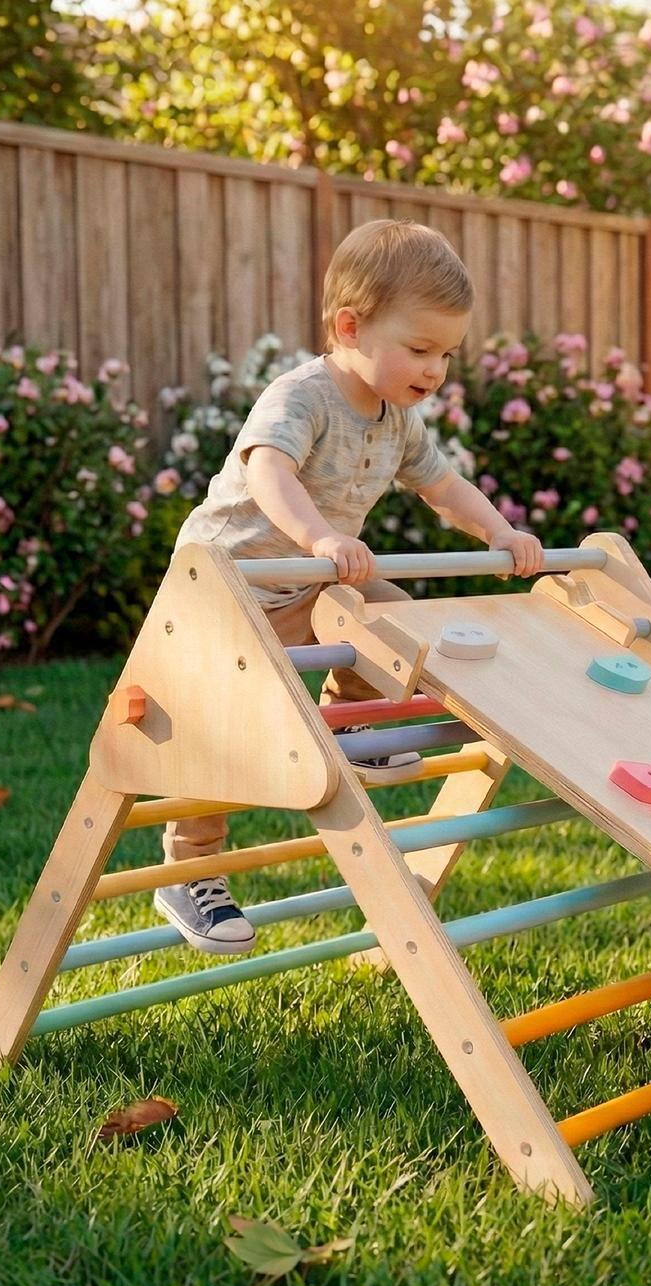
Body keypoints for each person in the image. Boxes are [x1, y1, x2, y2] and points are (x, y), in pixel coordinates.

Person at [154, 218, 544, 956]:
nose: (435, 369)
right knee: (224, 738)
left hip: (305, 586)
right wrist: (322, 538)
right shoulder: (301, 396)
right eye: (420, 348)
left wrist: (498, 531)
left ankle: (354, 723)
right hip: (225, 592)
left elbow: (444, 485)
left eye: (448, 354)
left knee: (396, 621)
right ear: (350, 326)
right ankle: (189, 871)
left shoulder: (398, 419)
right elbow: (269, 470)